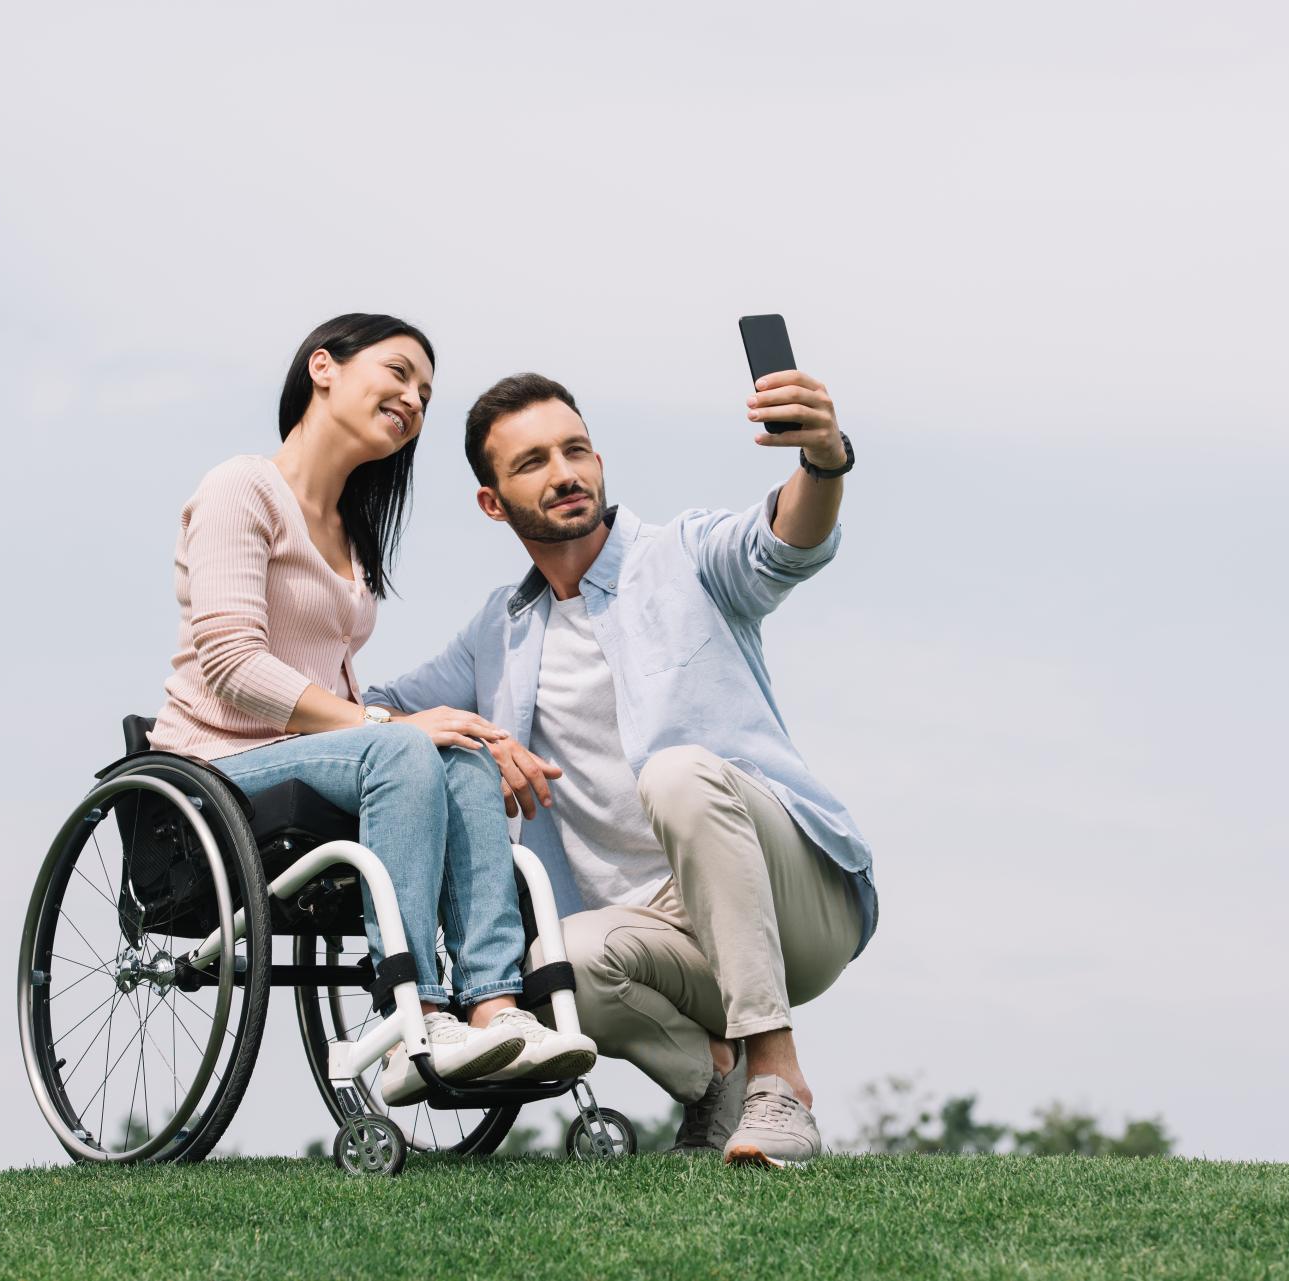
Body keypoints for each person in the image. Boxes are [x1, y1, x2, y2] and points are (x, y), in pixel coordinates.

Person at [362, 365, 873, 1166]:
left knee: (675, 774)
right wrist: (464, 730)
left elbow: (785, 541)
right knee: (547, 967)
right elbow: (378, 705)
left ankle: (781, 1080)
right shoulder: (498, 632)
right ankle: (718, 1086)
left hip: (793, 904)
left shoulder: (685, 553)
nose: (566, 473)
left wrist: (822, 461)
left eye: (577, 450)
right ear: (493, 502)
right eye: (533, 462)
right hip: (666, 944)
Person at [146, 313, 595, 1104]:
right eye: (397, 373)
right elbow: (229, 665)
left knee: (457, 751)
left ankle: (492, 1005)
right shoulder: (240, 489)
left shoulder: (353, 533)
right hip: (217, 764)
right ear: (323, 367)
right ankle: (413, 1011)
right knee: (406, 747)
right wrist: (391, 727)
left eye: (424, 391)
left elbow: (350, 696)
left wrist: (460, 731)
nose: (413, 398)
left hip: (314, 760)